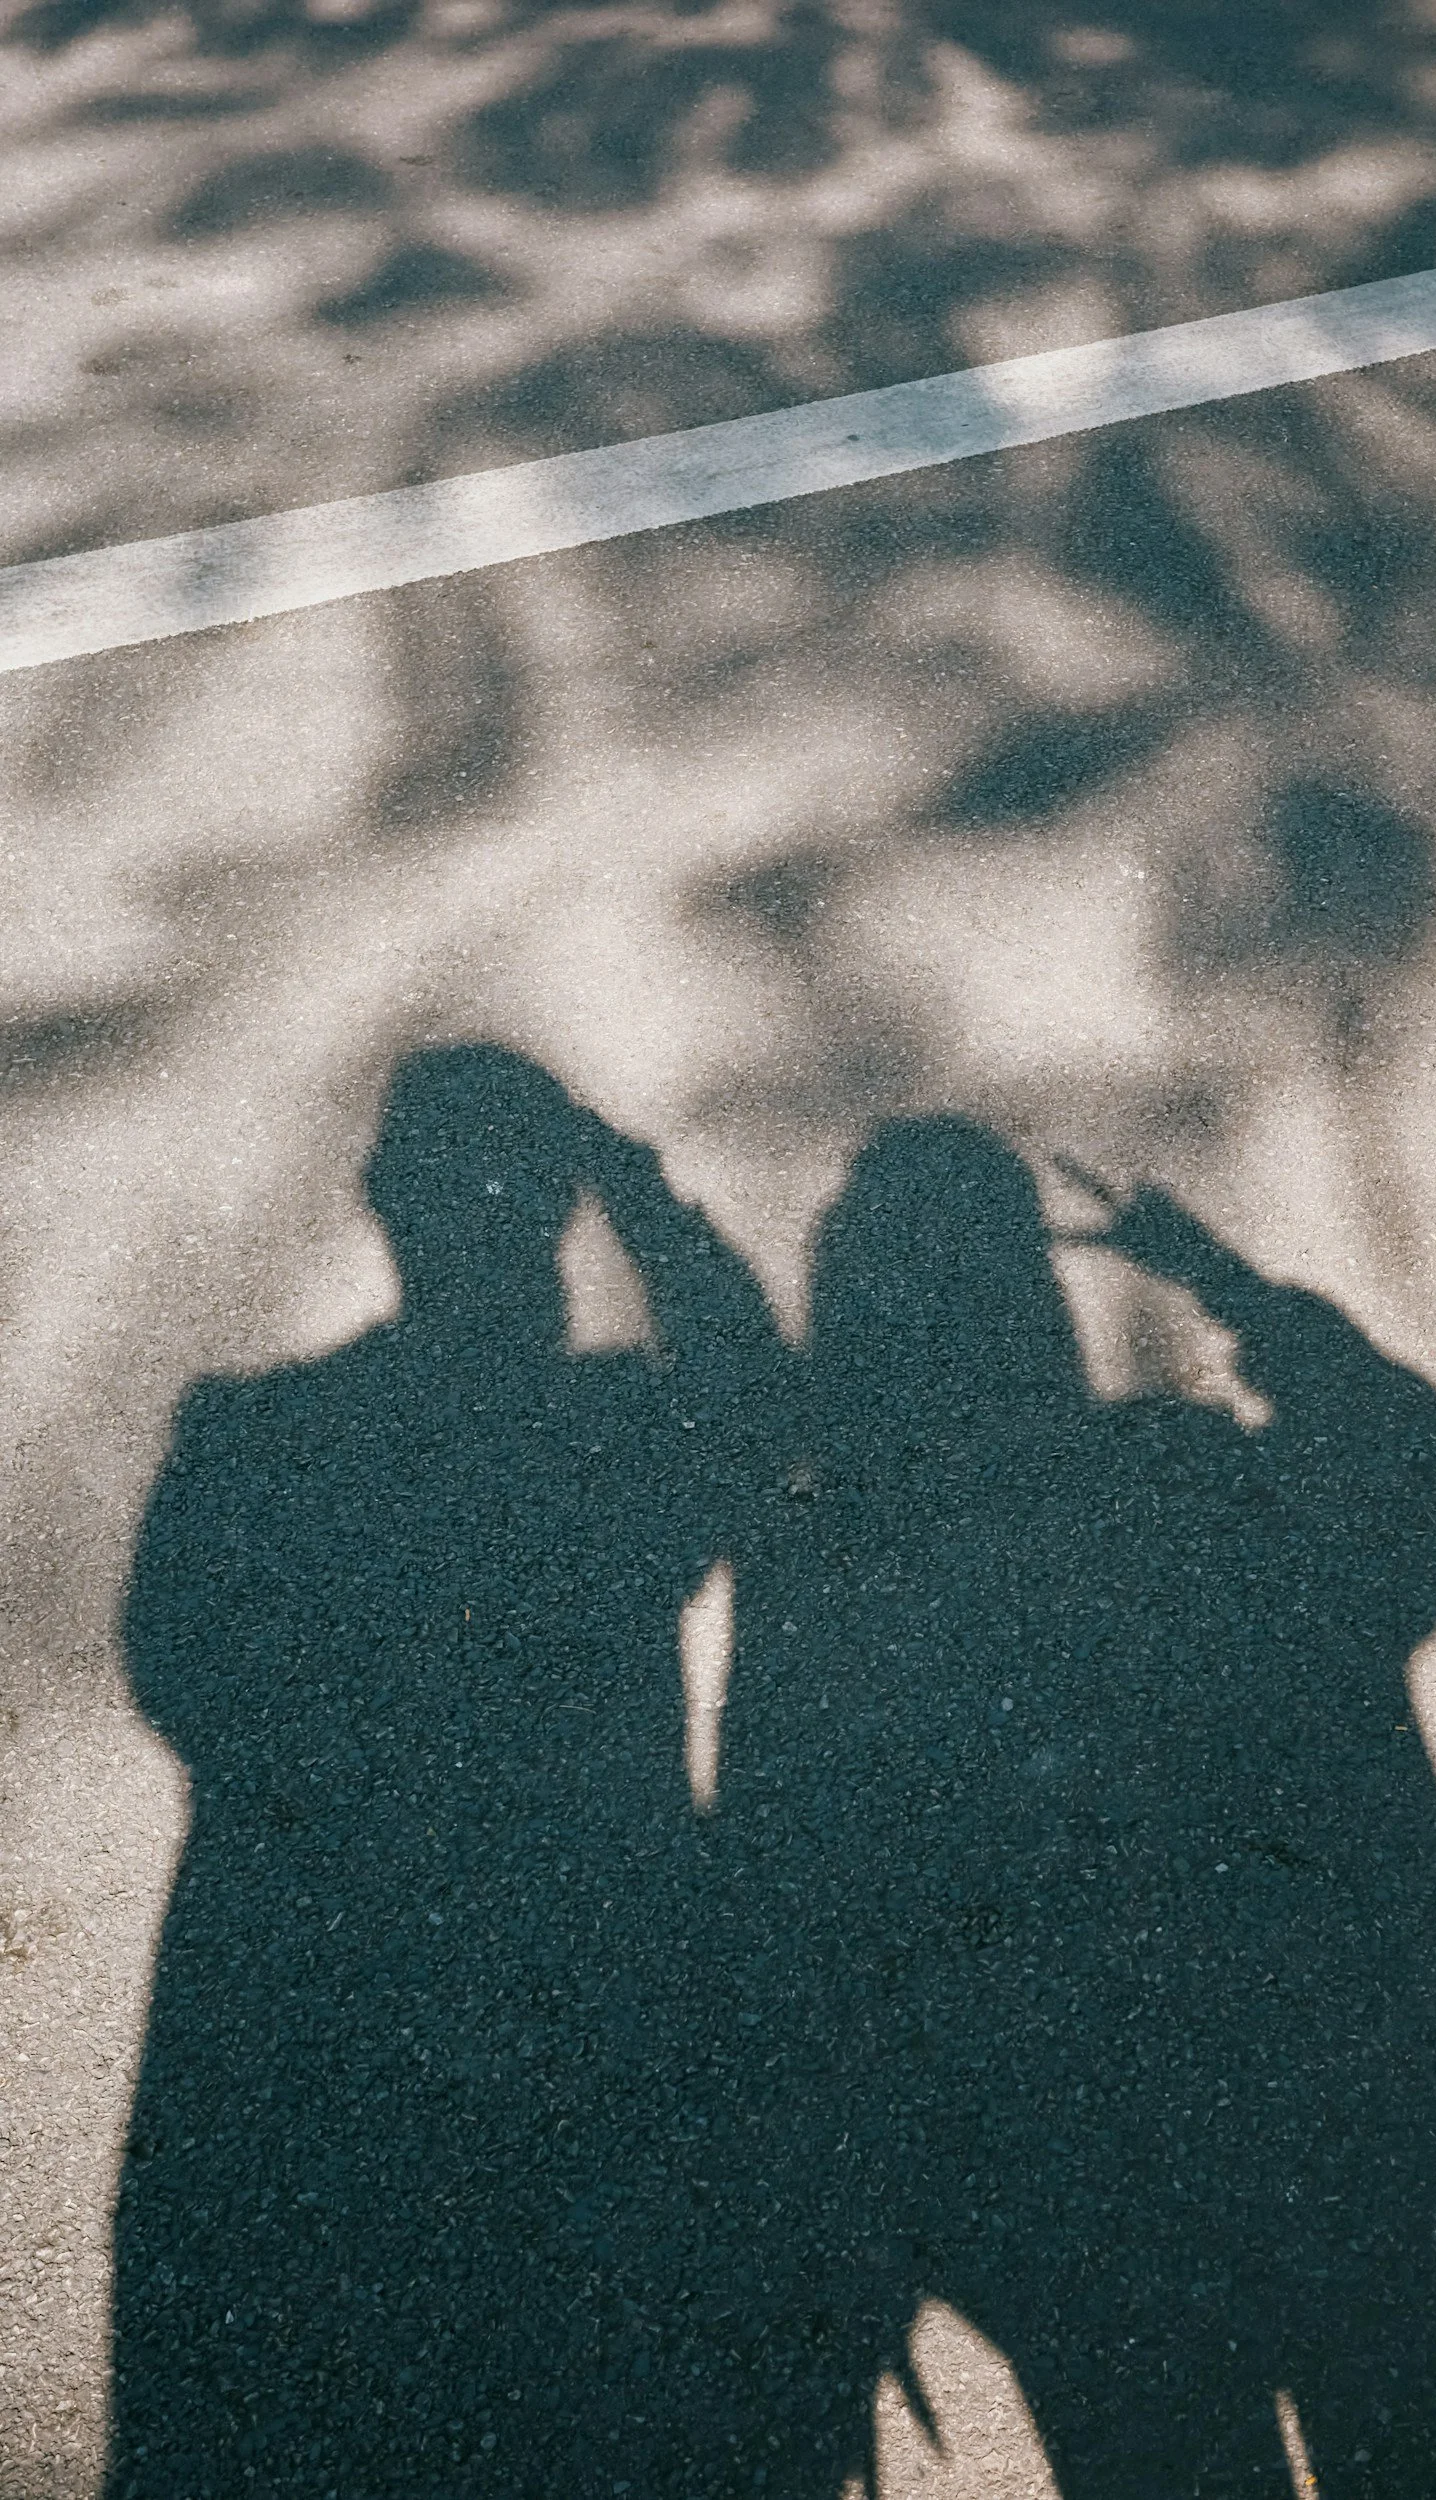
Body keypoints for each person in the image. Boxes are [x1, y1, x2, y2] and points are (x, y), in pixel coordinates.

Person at [722, 1118, 1436, 2499]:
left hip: (1077, 2221)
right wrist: (1236, 1294)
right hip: (1360, 2156)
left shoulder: (835, 1586)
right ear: (1030, 1300)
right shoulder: (1183, 1486)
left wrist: (853, 2249)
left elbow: (789, 1917)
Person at [109, 1044, 785, 2499]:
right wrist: (642, 1192)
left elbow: (191, 1677)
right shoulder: (594, 1438)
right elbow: (754, 1410)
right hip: (532, 2084)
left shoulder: (258, 1445)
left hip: (316, 2087)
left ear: (376, 1201)